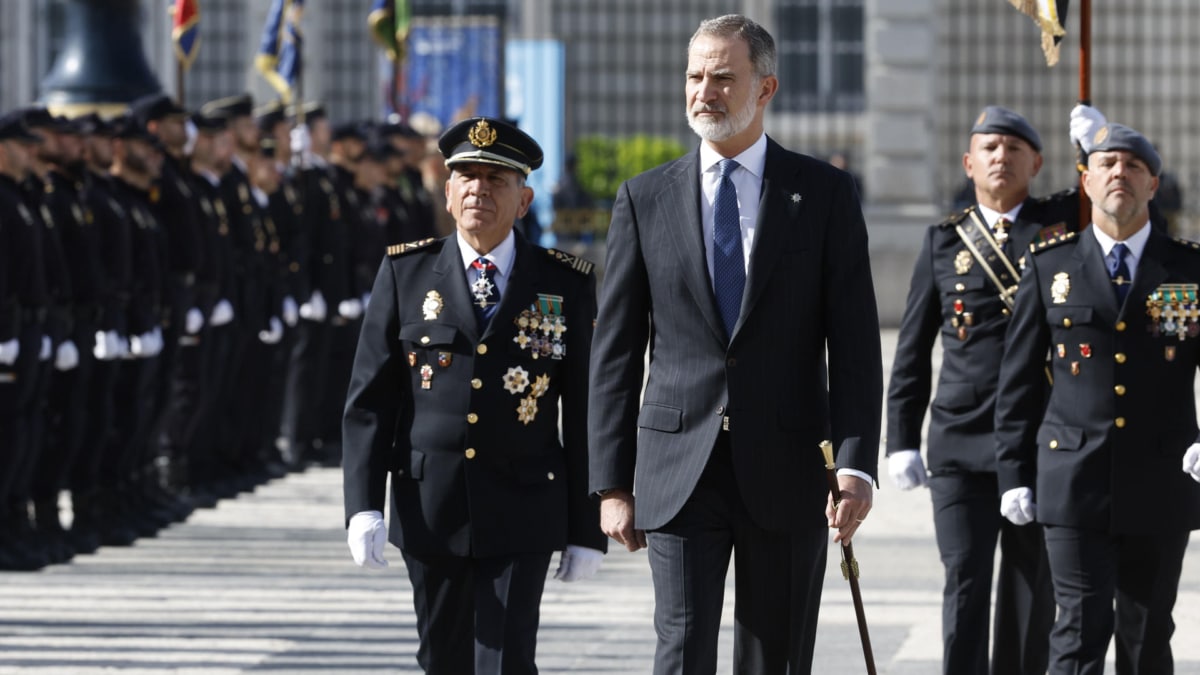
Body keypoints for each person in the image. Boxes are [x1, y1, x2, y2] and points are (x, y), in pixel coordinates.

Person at [588, 15, 882, 674]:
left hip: (788, 466)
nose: (705, 91)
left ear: (766, 87)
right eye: (695, 76)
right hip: (677, 467)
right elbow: (616, 350)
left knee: (775, 657)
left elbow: (857, 343)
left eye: (724, 77)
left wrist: (858, 463)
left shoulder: (822, 194)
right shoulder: (645, 198)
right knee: (681, 651)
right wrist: (611, 480)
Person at [342, 116, 606, 674]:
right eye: (465, 176)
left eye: (496, 179)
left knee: (507, 662)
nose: (478, 190)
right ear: (446, 190)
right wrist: (363, 505)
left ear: (525, 198)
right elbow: (371, 402)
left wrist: (587, 528)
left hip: (523, 504)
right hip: (429, 504)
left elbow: (585, 412)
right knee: (442, 659)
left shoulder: (565, 283)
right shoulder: (406, 274)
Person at [994, 122, 1200, 674]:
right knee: (1078, 632)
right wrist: (1013, 472)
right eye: (1106, 164)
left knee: (1148, 633)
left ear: (1153, 185)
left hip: (1161, 479)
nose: (1119, 175)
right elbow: (1018, 383)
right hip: (1072, 479)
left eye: (1134, 166)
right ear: (1085, 182)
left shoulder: (1187, 269)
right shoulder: (1050, 264)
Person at [886, 106, 1063, 675]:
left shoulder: (1059, 231)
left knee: (1030, 590)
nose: (1001, 158)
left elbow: (1123, 200)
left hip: (1039, 441)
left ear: (1036, 162)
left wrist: (1095, 148)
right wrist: (901, 439)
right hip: (961, 441)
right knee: (964, 581)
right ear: (969, 162)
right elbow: (912, 349)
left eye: (1014, 149)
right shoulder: (944, 242)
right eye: (989, 149)